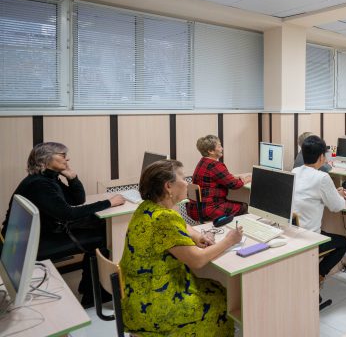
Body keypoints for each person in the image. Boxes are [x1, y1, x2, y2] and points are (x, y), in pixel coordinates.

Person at [121, 159, 243, 336]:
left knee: (216, 285)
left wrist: (197, 236)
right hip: (156, 305)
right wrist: (229, 241)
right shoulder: (164, 219)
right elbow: (197, 260)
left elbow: (182, 225)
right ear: (168, 186)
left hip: (138, 296)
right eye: (183, 178)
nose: (187, 183)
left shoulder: (148, 207)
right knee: (221, 296)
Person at [0, 142, 125, 307]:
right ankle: (93, 297)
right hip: (30, 244)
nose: (67, 159)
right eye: (63, 155)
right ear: (45, 160)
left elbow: (77, 200)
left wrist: (72, 177)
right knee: (102, 238)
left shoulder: (47, 178)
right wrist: (109, 203)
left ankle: (89, 288)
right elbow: (68, 214)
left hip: (36, 235)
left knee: (100, 227)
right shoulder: (39, 184)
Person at [291, 135, 346, 287]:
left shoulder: (295, 171)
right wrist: (339, 195)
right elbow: (337, 207)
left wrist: (332, 193)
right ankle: (319, 274)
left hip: (294, 231)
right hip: (310, 237)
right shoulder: (322, 177)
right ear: (321, 157)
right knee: (344, 242)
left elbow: (311, 195)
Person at [187, 135, 251, 222]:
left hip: (196, 209)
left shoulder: (202, 162)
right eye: (219, 146)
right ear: (210, 151)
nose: (222, 148)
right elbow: (234, 184)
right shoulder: (215, 165)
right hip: (209, 209)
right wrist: (248, 178)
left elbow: (220, 176)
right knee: (243, 207)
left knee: (233, 203)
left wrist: (234, 177)